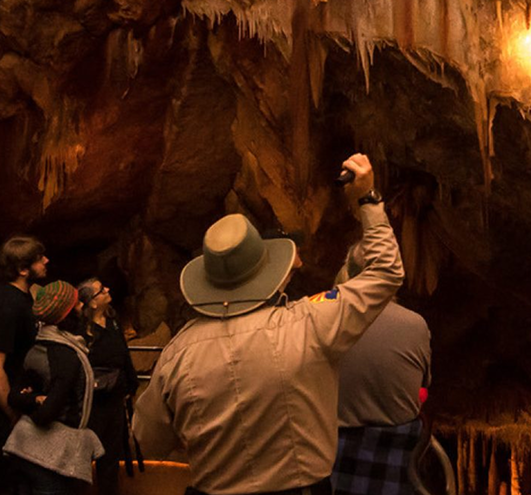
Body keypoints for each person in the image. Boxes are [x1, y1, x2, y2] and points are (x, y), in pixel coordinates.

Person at [133, 153, 405, 495]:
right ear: (267, 274)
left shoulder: (177, 356)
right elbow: (385, 272)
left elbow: (145, 443)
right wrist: (367, 198)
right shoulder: (310, 323)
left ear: (208, 281)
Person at [325, 243, 432, 495]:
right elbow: (423, 386)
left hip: (334, 461)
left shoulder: (320, 318)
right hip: (396, 465)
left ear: (348, 275)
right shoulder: (416, 325)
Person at [6, 280, 104, 495]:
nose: (82, 307)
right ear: (65, 314)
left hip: (22, 449)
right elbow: (46, 415)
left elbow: (14, 396)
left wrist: (33, 399)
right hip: (50, 460)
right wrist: (41, 402)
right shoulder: (66, 355)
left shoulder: (38, 346)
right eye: (77, 305)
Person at [0, 236, 49, 495]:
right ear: (22, 269)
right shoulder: (8, 305)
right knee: (0, 484)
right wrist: (13, 414)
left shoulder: (21, 299)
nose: (46, 261)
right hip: (4, 415)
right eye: (39, 258)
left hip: (18, 407)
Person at [76, 277, 139, 495]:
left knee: (111, 457)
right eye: (101, 290)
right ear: (92, 303)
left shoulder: (112, 322)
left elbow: (123, 355)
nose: (107, 289)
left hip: (114, 401)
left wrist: (131, 385)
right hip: (92, 403)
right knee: (84, 456)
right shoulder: (82, 331)